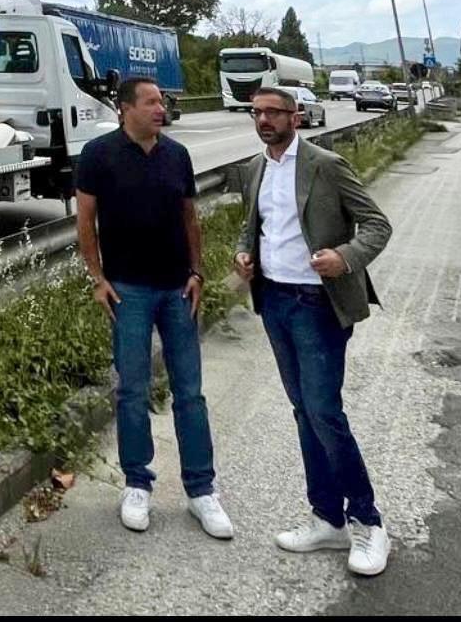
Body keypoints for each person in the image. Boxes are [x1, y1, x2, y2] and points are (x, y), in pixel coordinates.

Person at [234, 85, 393, 576]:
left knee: (324, 412)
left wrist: (344, 257)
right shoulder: (255, 168)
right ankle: (327, 518)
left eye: (273, 113)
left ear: (296, 117)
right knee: (304, 411)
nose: (264, 120)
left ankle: (368, 521)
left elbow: (376, 224)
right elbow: (253, 226)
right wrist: (243, 254)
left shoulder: (325, 165)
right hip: (275, 301)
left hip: (317, 305)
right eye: (257, 113)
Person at [76, 76, 233, 539]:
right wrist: (98, 279)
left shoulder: (177, 155)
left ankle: (201, 490)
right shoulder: (98, 155)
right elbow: (85, 221)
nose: (160, 109)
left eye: (161, 102)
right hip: (128, 291)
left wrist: (197, 272)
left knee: (190, 392)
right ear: (125, 108)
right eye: (150, 102)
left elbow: (190, 218)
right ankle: (137, 483)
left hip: (177, 289)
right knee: (132, 390)